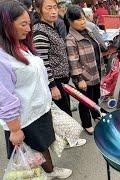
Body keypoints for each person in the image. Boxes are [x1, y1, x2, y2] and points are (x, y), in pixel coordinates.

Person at [0, 1, 72, 179]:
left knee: (43, 146)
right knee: (30, 155)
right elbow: (4, 97)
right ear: (6, 25)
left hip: (38, 109)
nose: (28, 28)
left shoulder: (21, 44)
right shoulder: (3, 58)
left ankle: (50, 171)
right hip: (23, 118)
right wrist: (15, 129)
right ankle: (40, 175)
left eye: (28, 23)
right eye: (23, 24)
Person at [65, 5, 102, 135]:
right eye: (79, 19)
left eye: (83, 18)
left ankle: (96, 114)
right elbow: (73, 61)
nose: (83, 21)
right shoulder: (70, 39)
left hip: (95, 71)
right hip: (84, 76)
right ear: (70, 21)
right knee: (85, 101)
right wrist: (79, 79)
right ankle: (86, 123)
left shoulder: (87, 31)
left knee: (95, 97)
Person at [33, 0, 72, 116]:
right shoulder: (40, 31)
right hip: (55, 82)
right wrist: (52, 86)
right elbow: (43, 62)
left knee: (66, 113)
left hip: (62, 81)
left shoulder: (51, 27)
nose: (53, 11)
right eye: (48, 8)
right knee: (64, 117)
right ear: (39, 10)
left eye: (55, 7)